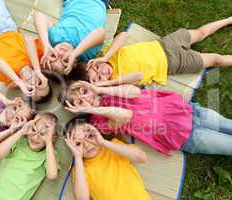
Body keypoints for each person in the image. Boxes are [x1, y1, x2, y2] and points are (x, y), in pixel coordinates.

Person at [63, 81, 232, 156]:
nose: (84, 99)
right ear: (79, 110)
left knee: (227, 124)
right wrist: (92, 108)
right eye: (79, 102)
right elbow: (126, 116)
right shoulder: (98, 122)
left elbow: (135, 92)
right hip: (180, 135)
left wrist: (99, 89)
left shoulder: (109, 88)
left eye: (84, 92)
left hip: (186, 110)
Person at [84, 17, 232, 86]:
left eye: (97, 68)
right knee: (216, 59)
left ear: (95, 62)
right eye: (97, 79)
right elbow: (138, 76)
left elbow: (124, 35)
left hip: (164, 44)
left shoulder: (107, 54)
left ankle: (227, 20)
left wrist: (106, 57)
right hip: (173, 63)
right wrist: (107, 84)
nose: (102, 73)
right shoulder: (118, 84)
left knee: (200, 33)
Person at [64, 115, 151, 200]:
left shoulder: (113, 147)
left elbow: (142, 158)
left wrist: (103, 142)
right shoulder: (80, 169)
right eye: (78, 143)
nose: (87, 145)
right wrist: (78, 157)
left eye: (89, 136)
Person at [0, 112, 59, 200]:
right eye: (33, 130)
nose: (35, 136)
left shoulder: (49, 155)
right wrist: (21, 132)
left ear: (53, 138)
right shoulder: (19, 142)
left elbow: (52, 175)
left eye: (42, 134)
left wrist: (49, 142)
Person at [34, 0, 108, 75]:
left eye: (53, 56)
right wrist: (75, 53)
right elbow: (101, 32)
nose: (61, 53)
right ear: (74, 63)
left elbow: (38, 15)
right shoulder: (86, 52)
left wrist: (46, 45)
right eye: (65, 60)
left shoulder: (55, 39)